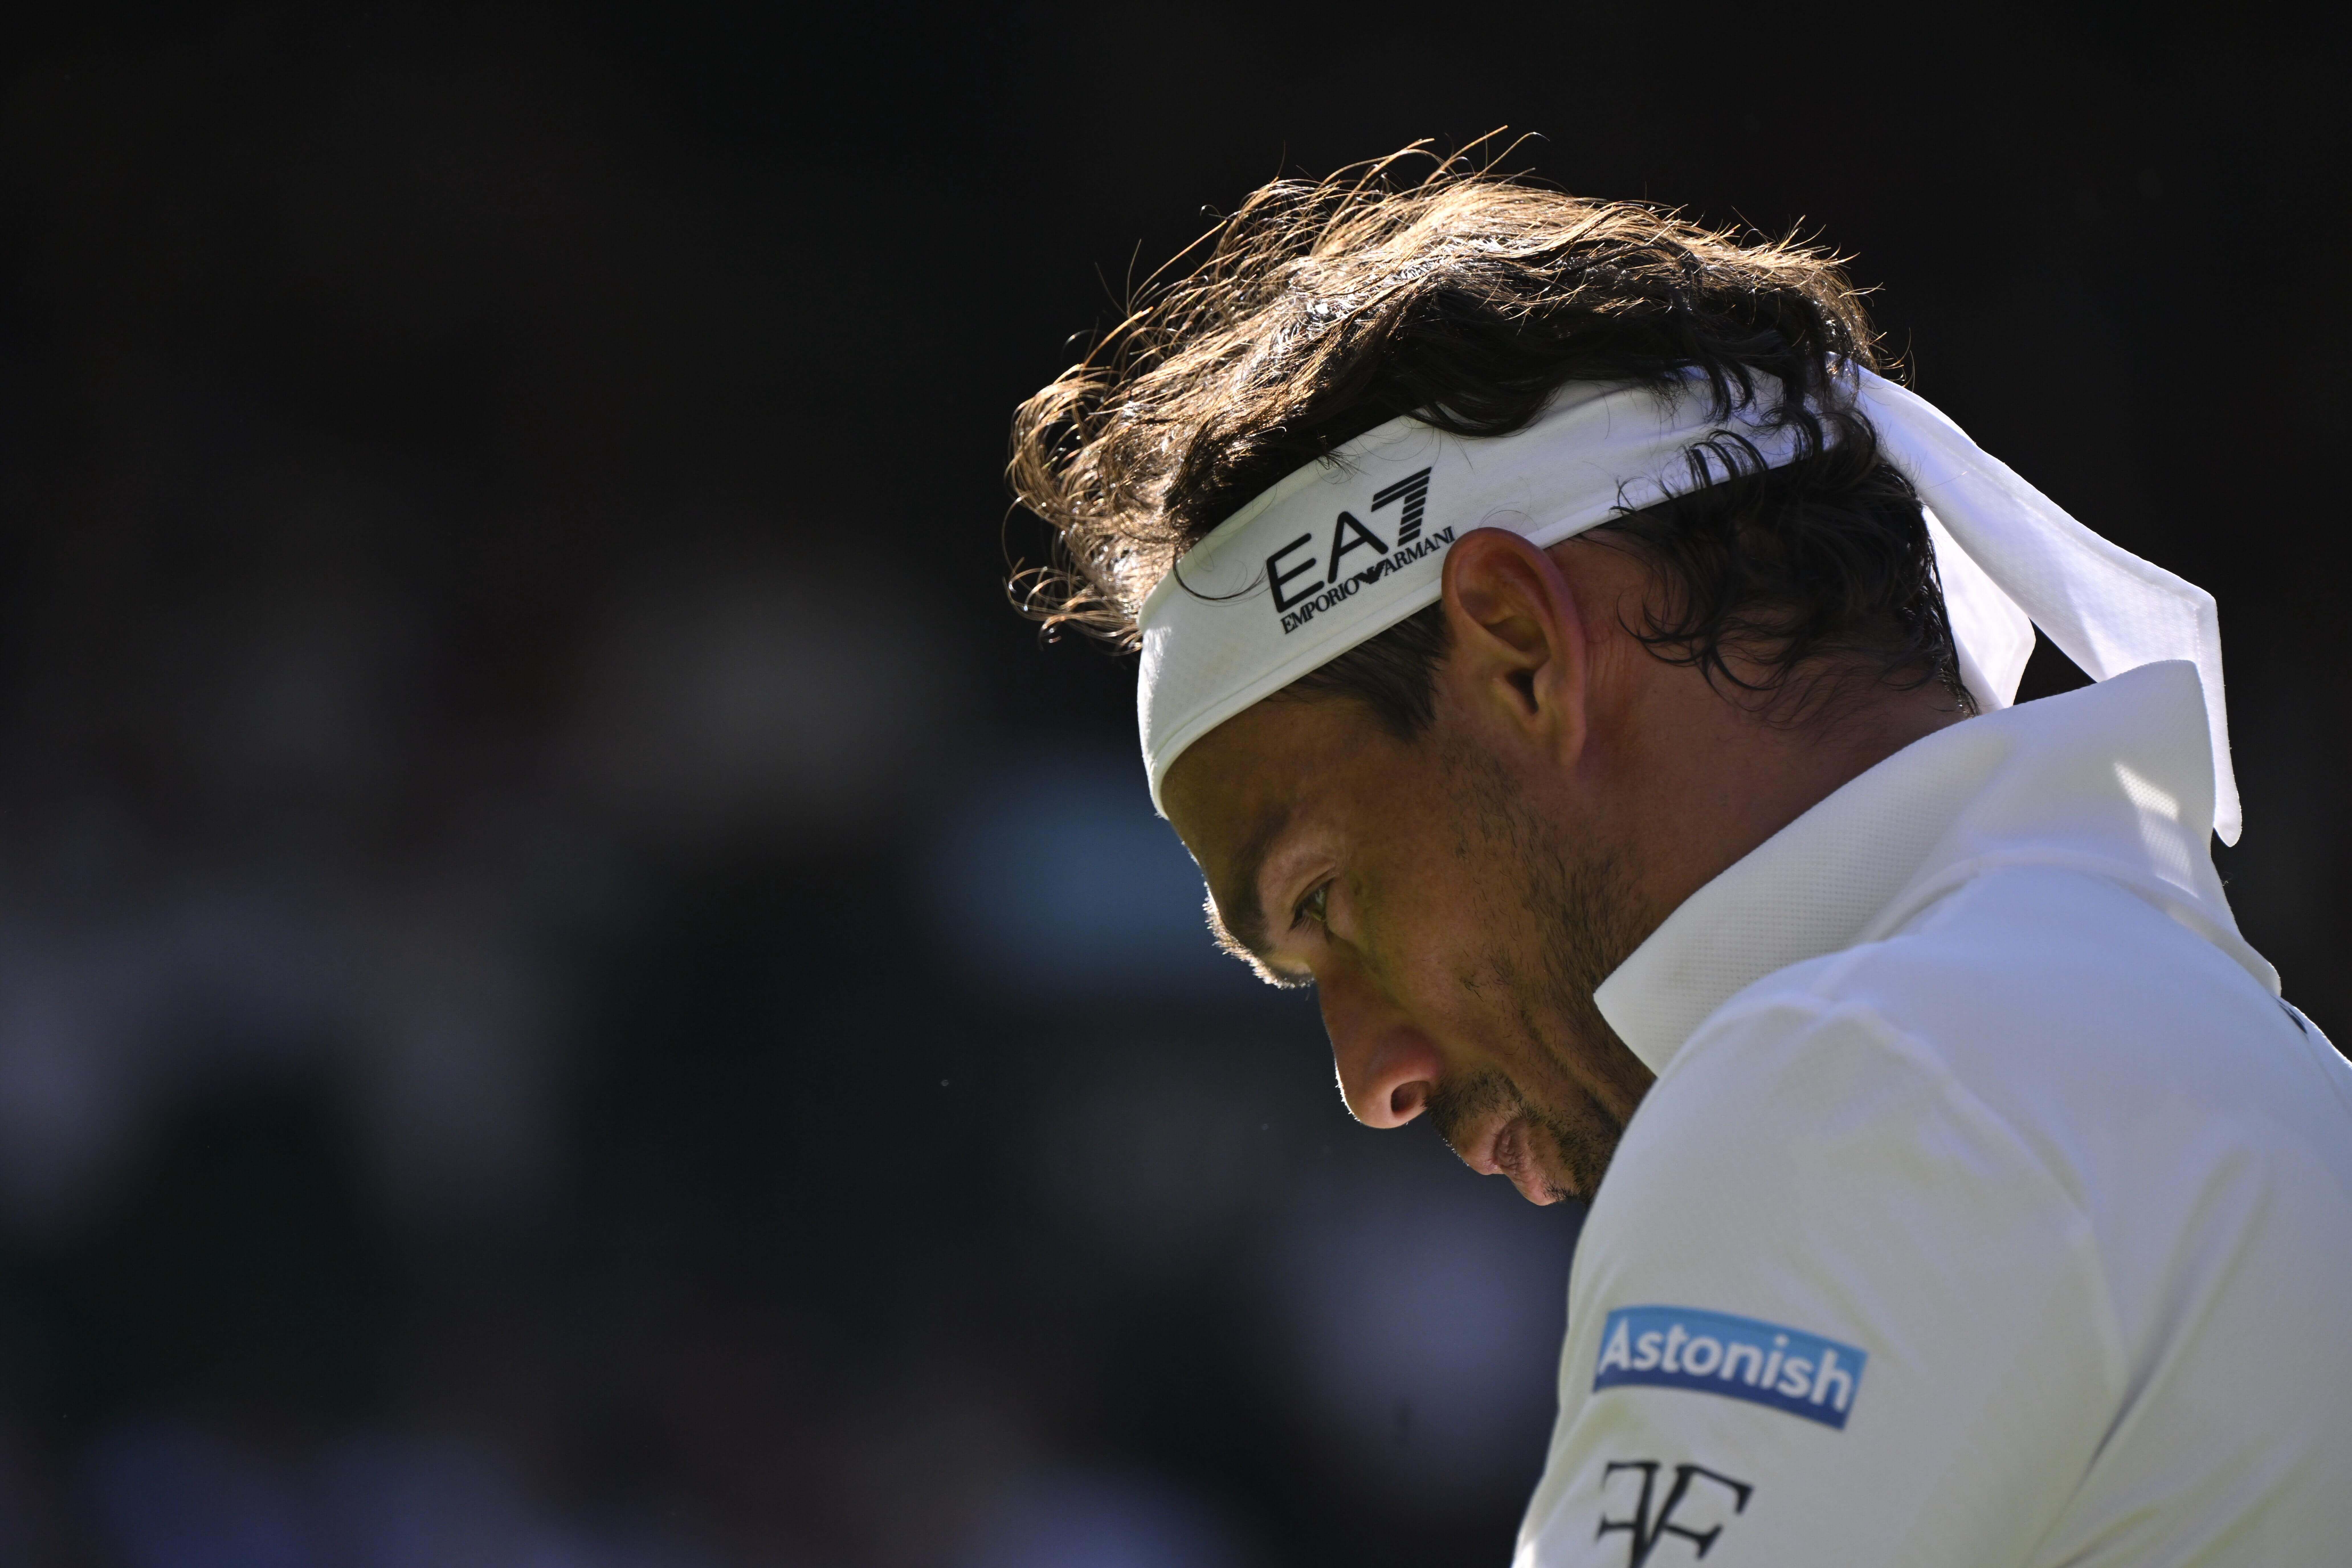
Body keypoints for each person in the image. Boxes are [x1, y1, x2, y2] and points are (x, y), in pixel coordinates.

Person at [1004, 151, 2352, 1565]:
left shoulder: (1865, 1082)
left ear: (1523, 649)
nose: (1371, 1080)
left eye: (1325, 901)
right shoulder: (2243, 1063)